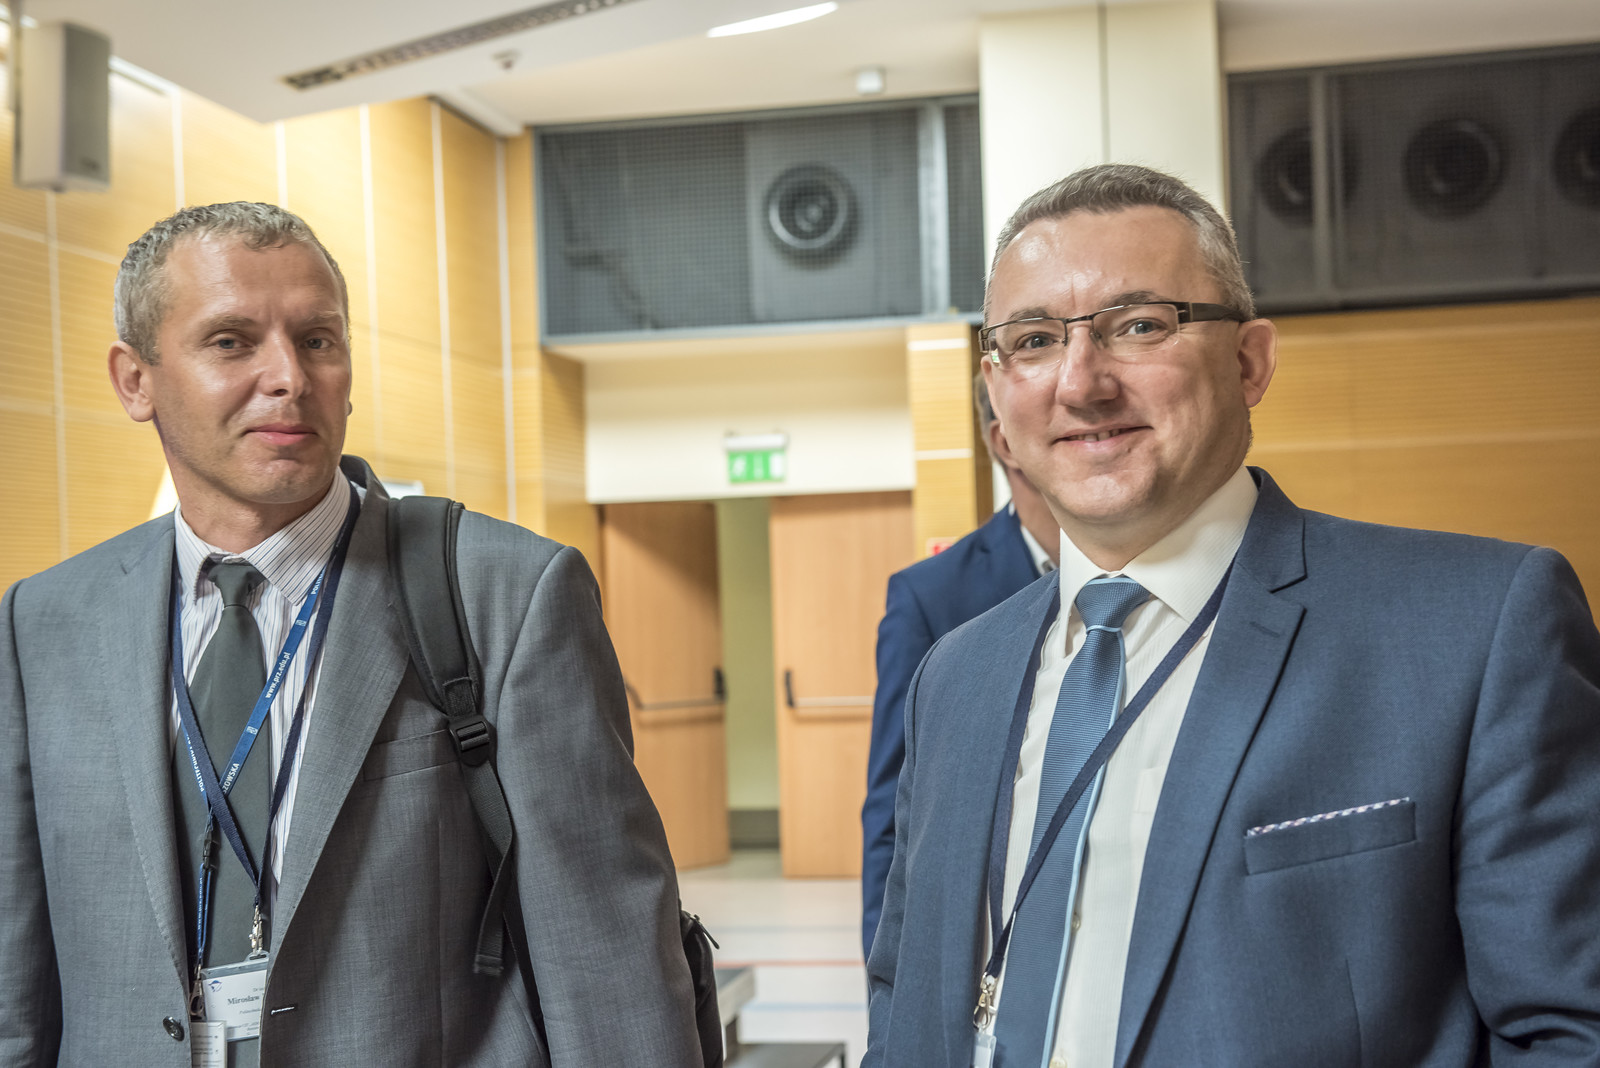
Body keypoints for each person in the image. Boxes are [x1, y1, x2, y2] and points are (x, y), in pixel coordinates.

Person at [863, 165, 1600, 1068]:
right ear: (997, 389)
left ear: (1249, 361)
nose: (1081, 383)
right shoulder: (954, 675)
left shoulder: (1473, 629)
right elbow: (903, 993)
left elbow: (1572, 1030)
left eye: (1139, 325)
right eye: (1035, 340)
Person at [0, 203, 704, 1067]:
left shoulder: (504, 593)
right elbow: (17, 979)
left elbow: (608, 958)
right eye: (231, 342)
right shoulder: (44, 624)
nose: (288, 377)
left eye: (317, 340)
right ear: (134, 381)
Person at [860, 374, 1058, 958]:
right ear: (1004, 442)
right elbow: (894, 806)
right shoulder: (932, 596)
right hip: (985, 935)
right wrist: (886, 979)